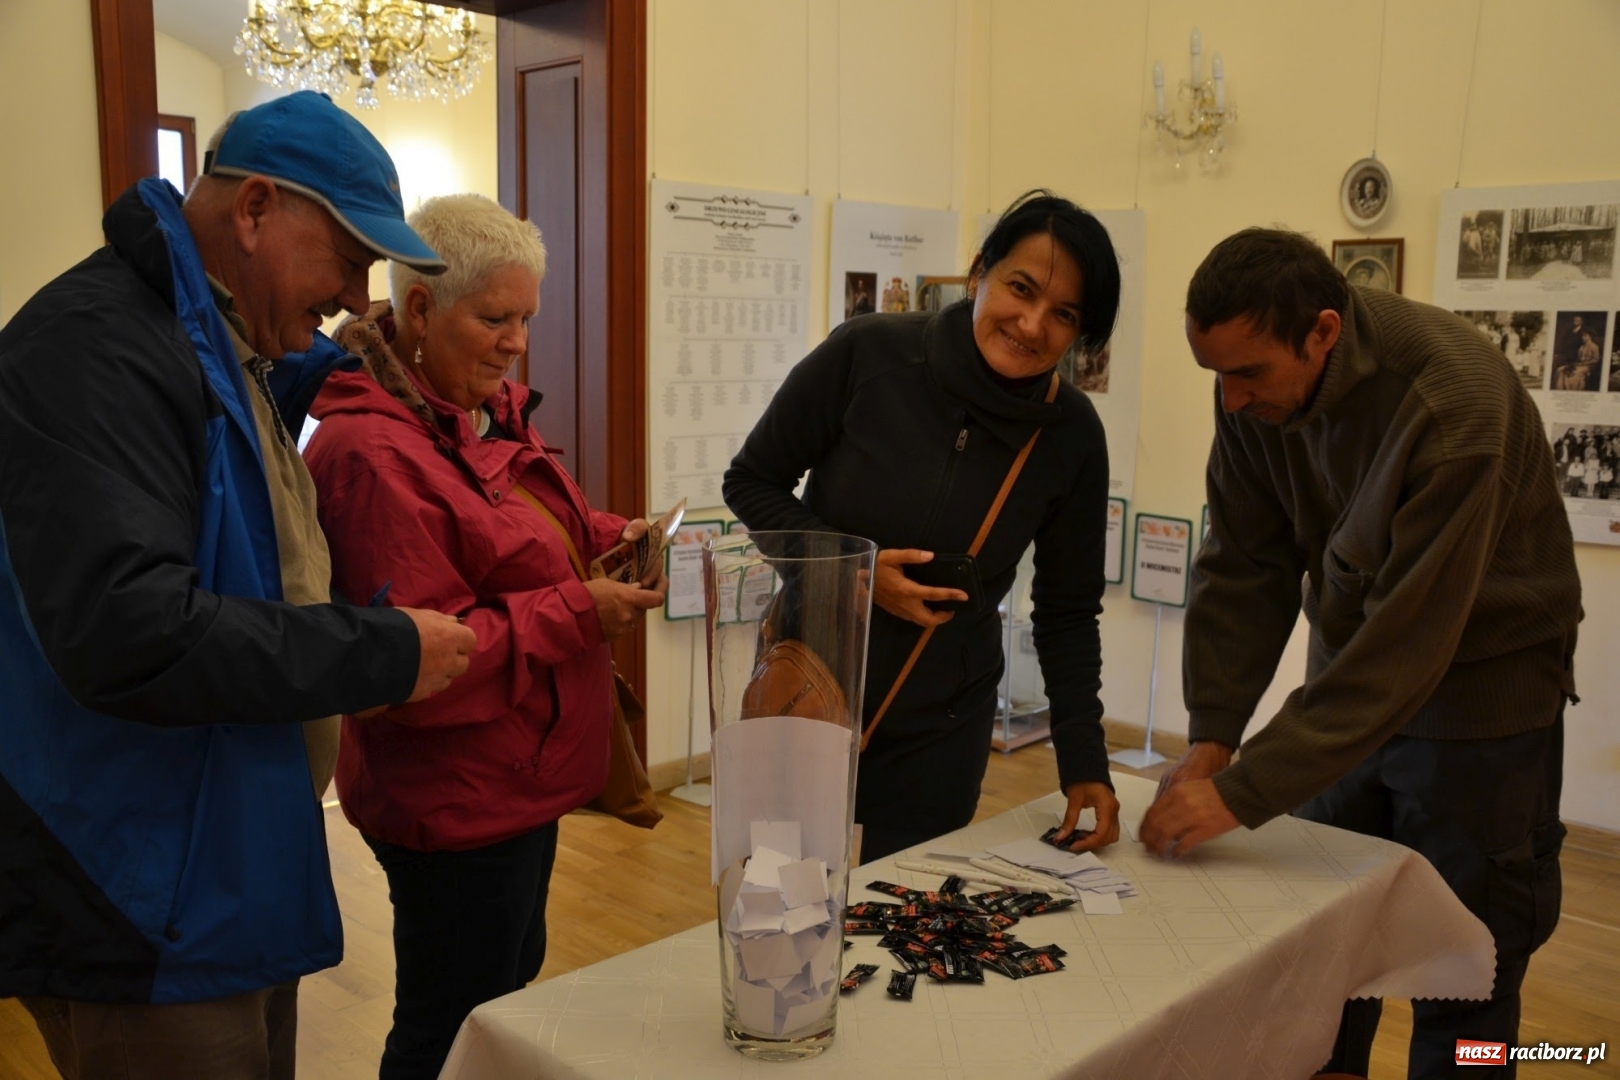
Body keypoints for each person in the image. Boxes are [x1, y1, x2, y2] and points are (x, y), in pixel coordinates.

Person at [0, 91, 477, 1079]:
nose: (355, 292)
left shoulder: (196, 330)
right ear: (255, 209)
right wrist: (383, 651)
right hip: (140, 892)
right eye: (346, 259)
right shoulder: (93, 347)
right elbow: (133, 631)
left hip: (217, 860)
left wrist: (319, 363)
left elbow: (218, 425)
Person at [1143, 228, 1580, 1078]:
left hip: (1481, 715)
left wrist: (1240, 793)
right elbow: (1244, 564)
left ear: (1324, 334)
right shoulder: (1249, 387)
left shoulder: (1456, 407)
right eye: (1215, 376)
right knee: (1326, 955)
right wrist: (1214, 734)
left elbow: (1406, 652)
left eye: (1248, 375)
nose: (1229, 401)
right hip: (1349, 692)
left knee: (1467, 977)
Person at [303, 193, 668, 1080]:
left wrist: (608, 533)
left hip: (515, 775)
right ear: (420, 310)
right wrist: (583, 609)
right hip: (453, 796)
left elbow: (517, 530)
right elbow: (432, 657)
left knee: (505, 990)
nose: (516, 344)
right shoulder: (369, 455)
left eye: (527, 319)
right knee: (448, 1027)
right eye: (495, 318)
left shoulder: (471, 408)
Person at [724, 190, 1124, 864]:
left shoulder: (1072, 436)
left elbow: (1067, 610)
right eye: (1020, 289)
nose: (1031, 325)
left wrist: (1084, 758)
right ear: (978, 274)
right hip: (807, 691)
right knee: (778, 919)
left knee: (906, 937)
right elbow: (752, 481)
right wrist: (855, 571)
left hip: (942, 728)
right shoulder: (868, 355)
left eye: (1064, 315)